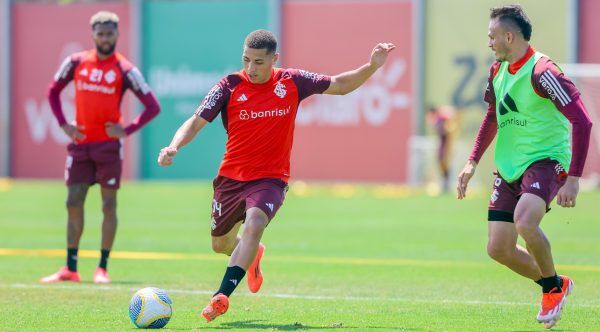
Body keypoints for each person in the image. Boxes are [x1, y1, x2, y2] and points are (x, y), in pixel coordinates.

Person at [158, 29, 395, 322]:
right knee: (220, 244)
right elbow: (195, 122)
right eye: (246, 60)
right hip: (231, 178)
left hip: (271, 178)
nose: (251, 68)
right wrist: (174, 146)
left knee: (256, 222)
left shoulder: (292, 81)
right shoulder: (229, 85)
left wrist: (371, 66)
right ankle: (252, 253)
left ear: (274, 59)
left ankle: (221, 296)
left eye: (258, 62)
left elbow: (340, 85)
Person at [456, 5, 592, 329]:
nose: (488, 42)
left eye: (492, 36)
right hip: (509, 167)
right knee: (498, 248)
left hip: (546, 162)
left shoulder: (544, 71)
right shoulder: (497, 71)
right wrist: (472, 161)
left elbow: (582, 121)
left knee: (525, 222)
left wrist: (573, 178)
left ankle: (551, 290)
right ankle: (555, 282)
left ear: (508, 36)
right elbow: (493, 115)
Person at [41, 11, 160, 284]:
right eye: (100, 33)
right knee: (73, 201)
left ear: (117, 35)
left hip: (108, 147)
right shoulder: (75, 62)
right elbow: (52, 91)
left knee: (108, 205)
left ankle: (102, 268)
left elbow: (153, 106)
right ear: (93, 34)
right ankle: (70, 267)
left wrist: (126, 129)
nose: (105, 38)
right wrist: (63, 124)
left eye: (110, 33)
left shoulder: (126, 70)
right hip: (80, 145)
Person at [427, 105, 457, 193]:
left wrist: (447, 128)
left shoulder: (441, 118)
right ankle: (445, 182)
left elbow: (449, 125)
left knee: (444, 161)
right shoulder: (436, 119)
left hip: (446, 142)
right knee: (441, 161)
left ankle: (447, 183)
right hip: (442, 142)